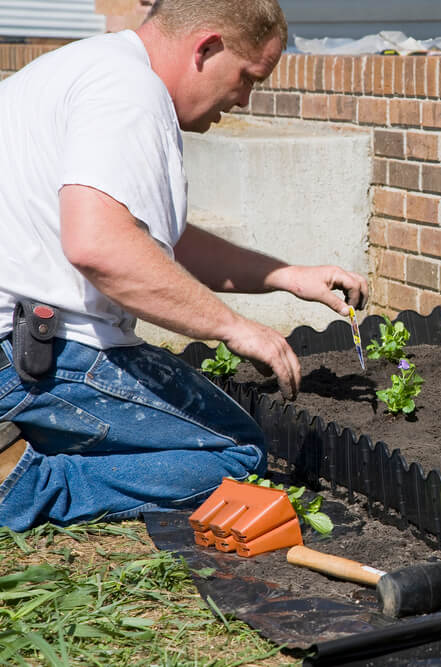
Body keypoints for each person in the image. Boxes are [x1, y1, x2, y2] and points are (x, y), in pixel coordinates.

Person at [0, 0, 368, 532]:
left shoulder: (87, 67)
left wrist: (286, 276)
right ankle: (22, 486)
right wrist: (234, 328)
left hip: (17, 347)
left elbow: (152, 239)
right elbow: (100, 245)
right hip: (28, 355)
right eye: (247, 77)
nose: (244, 99)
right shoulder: (130, 93)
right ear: (207, 47)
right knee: (236, 454)